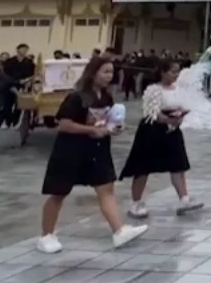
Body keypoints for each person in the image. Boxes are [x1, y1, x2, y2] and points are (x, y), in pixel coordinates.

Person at [37, 57, 146, 254]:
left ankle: (118, 230)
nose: (109, 76)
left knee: (106, 188)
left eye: (111, 72)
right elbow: (64, 124)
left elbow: (107, 120)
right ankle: (46, 235)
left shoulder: (106, 96)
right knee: (59, 192)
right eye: (105, 72)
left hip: (97, 149)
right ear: (92, 73)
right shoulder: (77, 97)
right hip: (71, 150)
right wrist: (90, 130)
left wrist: (114, 128)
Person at [120, 60, 203, 218]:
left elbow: (183, 106)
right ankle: (136, 202)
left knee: (178, 164)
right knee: (143, 167)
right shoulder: (153, 89)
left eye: (177, 71)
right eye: (172, 71)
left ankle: (184, 198)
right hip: (152, 131)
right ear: (163, 72)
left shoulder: (178, 89)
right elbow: (152, 112)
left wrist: (179, 117)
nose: (175, 75)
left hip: (173, 130)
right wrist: (167, 119)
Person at [3, 43, 36, 128]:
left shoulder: (29, 62)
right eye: (23, 49)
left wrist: (28, 81)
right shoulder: (9, 61)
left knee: (19, 105)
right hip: (10, 85)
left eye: (26, 50)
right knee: (7, 105)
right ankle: (8, 122)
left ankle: (15, 122)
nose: (24, 51)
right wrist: (16, 82)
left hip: (23, 86)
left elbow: (33, 74)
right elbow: (5, 74)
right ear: (18, 50)